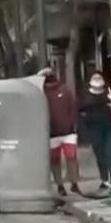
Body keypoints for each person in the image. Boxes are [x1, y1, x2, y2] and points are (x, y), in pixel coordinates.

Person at [79, 71, 111, 194]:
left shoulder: (109, 91)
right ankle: (104, 180)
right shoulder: (85, 94)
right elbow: (80, 109)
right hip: (94, 128)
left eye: (99, 77)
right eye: (94, 77)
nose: (97, 79)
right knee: (100, 154)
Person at [41, 68, 81, 196]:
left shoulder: (65, 89)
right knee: (55, 160)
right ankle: (60, 186)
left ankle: (74, 184)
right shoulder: (41, 93)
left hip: (68, 132)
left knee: (71, 157)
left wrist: (72, 124)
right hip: (51, 133)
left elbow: (73, 107)